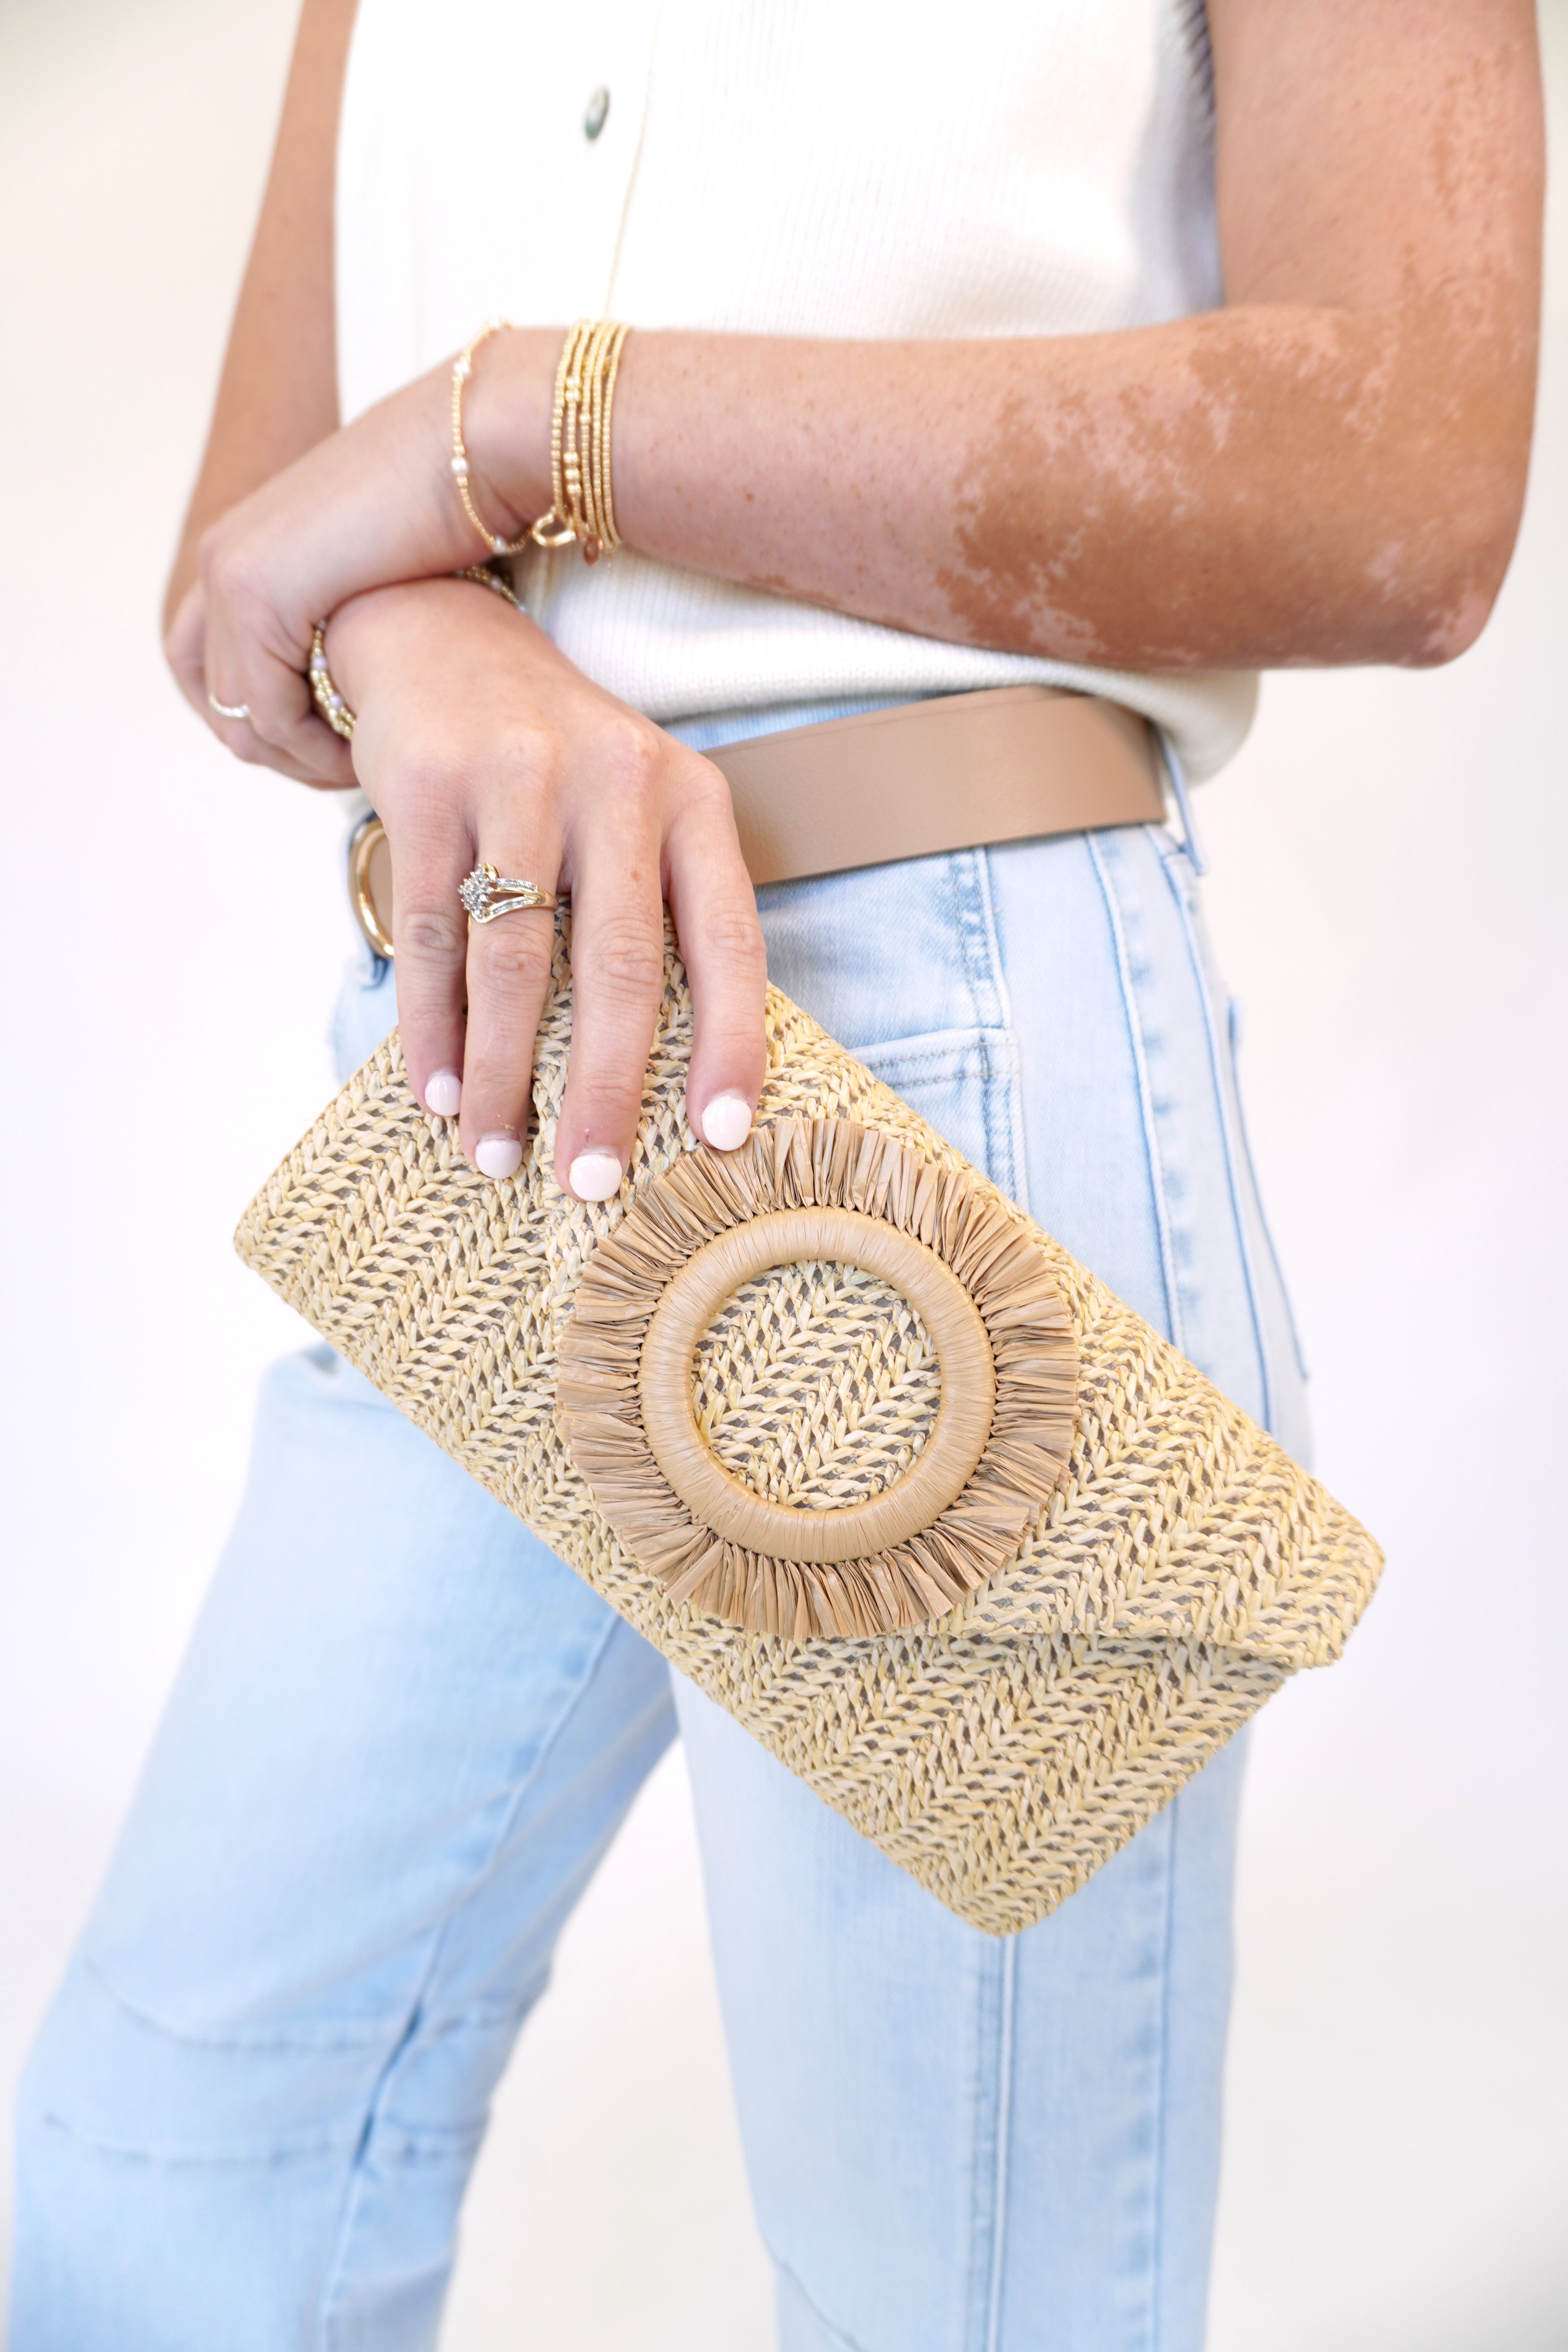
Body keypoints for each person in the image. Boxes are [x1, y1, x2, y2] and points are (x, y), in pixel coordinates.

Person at [11, 2, 1541, 2346]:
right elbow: (253, 561)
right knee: (164, 2186)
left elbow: (1397, 481)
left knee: (960, 2302)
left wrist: (516, 427)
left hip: (939, 1072)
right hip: (481, 1060)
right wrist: (433, 625)